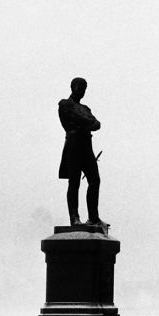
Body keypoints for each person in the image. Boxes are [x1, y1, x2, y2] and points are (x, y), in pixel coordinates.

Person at [58, 77, 106, 227]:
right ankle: (74, 218)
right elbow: (74, 119)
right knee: (74, 181)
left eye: (84, 89)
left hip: (86, 146)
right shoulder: (64, 104)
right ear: (73, 87)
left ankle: (93, 217)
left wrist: (83, 123)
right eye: (80, 88)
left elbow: (97, 124)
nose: (82, 92)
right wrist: (86, 122)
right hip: (74, 145)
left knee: (95, 180)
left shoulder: (85, 108)